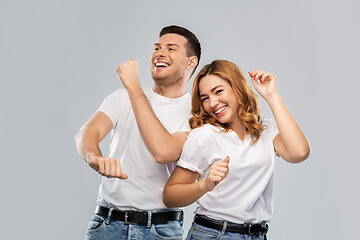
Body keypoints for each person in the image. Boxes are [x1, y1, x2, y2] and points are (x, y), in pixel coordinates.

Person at [75, 25, 201, 240]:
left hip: (160, 230)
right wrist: (93, 157)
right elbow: (87, 133)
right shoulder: (121, 97)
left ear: (190, 62)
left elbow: (164, 153)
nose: (160, 53)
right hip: (106, 224)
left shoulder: (197, 113)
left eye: (171, 49)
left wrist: (133, 85)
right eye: (157, 47)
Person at [162, 60, 310, 240]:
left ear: (237, 89)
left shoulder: (265, 131)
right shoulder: (205, 135)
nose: (213, 103)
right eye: (205, 98)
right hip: (213, 234)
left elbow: (299, 153)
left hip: (257, 234)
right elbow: (170, 196)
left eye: (218, 92)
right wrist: (205, 185)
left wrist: (271, 96)